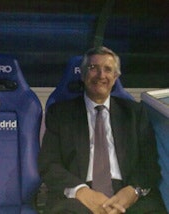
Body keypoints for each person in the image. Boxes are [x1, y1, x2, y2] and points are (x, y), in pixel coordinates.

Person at [38, 46, 166, 213]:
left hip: (127, 191)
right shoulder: (60, 113)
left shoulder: (135, 113)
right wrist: (81, 191)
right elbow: (49, 163)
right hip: (78, 195)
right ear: (83, 75)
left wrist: (133, 190)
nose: (101, 75)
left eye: (108, 69)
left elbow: (149, 163)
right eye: (93, 68)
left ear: (115, 77)